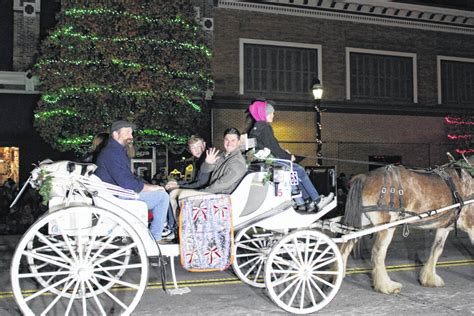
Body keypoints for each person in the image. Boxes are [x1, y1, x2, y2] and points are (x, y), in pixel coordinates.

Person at [247, 99, 334, 212]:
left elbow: (267, 146)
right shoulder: (265, 127)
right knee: (300, 171)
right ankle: (316, 200)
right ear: (266, 114)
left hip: (264, 161)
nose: (273, 115)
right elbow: (274, 148)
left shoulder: (255, 129)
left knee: (296, 174)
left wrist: (284, 152)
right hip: (271, 162)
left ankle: (305, 201)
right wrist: (289, 157)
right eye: (272, 113)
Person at [94, 120, 169, 242]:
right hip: (118, 197)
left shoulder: (114, 151)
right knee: (162, 197)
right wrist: (150, 188)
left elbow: (128, 178)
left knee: (158, 192)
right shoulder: (112, 153)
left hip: (116, 193)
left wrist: (148, 186)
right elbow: (127, 183)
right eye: (127, 132)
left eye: (131, 133)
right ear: (115, 134)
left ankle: (159, 231)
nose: (131, 136)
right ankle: (154, 239)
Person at [177, 128, 247, 200]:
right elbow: (204, 170)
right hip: (215, 195)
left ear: (238, 142)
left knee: (180, 196)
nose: (229, 144)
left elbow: (220, 186)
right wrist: (208, 163)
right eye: (227, 140)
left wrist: (199, 193)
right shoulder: (222, 155)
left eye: (233, 140)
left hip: (224, 199)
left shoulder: (237, 163)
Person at [164, 135, 211, 238]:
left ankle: (173, 227)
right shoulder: (198, 160)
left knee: (172, 193)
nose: (197, 150)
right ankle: (171, 224)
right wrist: (178, 183)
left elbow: (200, 183)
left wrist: (178, 184)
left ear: (204, 145)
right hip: (200, 187)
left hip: (205, 190)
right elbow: (195, 181)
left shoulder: (205, 159)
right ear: (190, 150)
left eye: (198, 146)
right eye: (193, 148)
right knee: (171, 191)